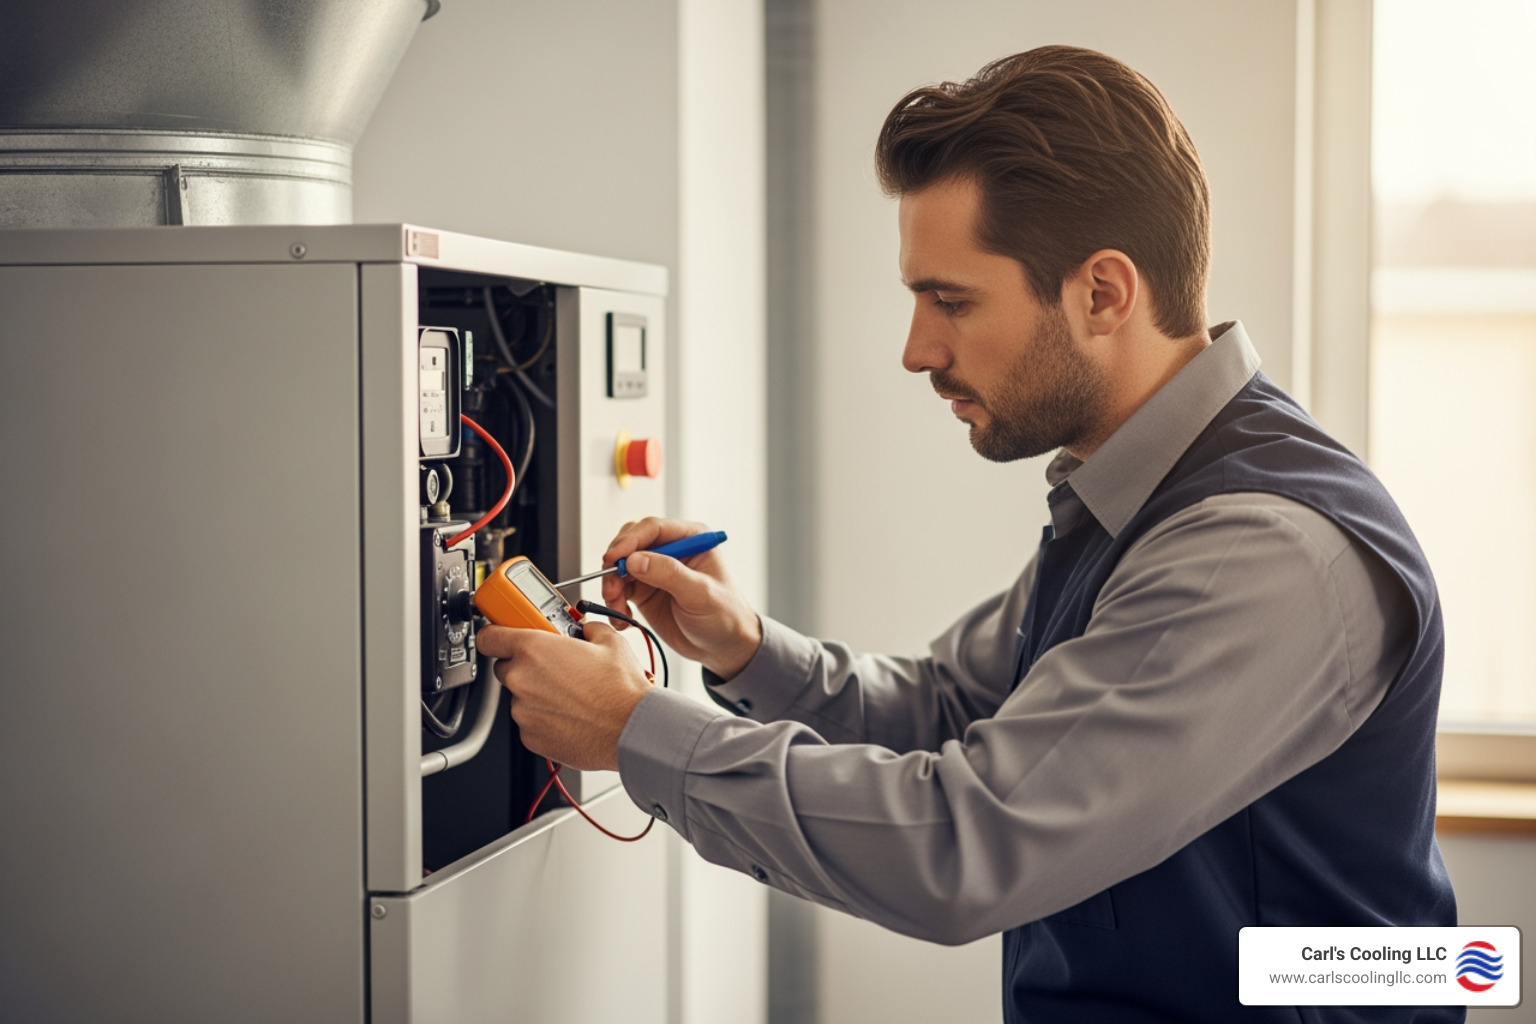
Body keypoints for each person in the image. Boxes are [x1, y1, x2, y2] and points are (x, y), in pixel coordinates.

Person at [477, 45, 1458, 1023]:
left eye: (950, 301)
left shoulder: (1257, 552)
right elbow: (950, 708)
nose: (918, 350)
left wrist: (636, 731)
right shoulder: (1135, 495)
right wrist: (744, 647)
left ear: (1103, 293)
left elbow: (967, 842)